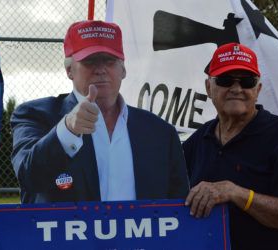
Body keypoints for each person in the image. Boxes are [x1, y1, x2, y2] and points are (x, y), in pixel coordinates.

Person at [11, 20, 189, 203]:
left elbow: (177, 205)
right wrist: (67, 129)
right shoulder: (35, 115)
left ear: (123, 69)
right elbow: (29, 178)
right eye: (90, 61)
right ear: (69, 70)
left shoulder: (160, 132)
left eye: (109, 61)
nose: (101, 69)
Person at [183, 43, 278, 250]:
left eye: (246, 81)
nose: (237, 89)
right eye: (225, 80)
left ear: (258, 89)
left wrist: (235, 193)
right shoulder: (198, 140)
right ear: (209, 88)